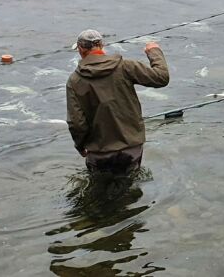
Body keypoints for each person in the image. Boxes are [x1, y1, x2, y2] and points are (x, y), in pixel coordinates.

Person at [66, 30, 169, 173]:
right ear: (101, 45)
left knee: (99, 192)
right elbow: (161, 77)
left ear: (81, 49)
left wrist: (80, 146)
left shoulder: (74, 81)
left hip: (99, 152)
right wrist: (154, 51)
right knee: (130, 188)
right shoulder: (125, 66)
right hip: (131, 147)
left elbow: (77, 123)